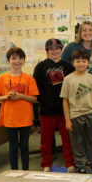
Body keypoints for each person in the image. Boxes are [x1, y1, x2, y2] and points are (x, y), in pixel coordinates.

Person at [0, 47, 39, 170]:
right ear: (9, 60)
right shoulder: (2, 78)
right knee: (13, 147)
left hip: (25, 118)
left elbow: (34, 98)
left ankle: (26, 170)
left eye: (20, 58)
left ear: (24, 60)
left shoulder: (29, 78)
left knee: (24, 146)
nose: (17, 61)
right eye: (14, 58)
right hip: (10, 118)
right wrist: (6, 97)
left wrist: (20, 96)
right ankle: (14, 171)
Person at [33, 38, 75, 173]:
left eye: (57, 48)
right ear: (47, 51)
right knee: (46, 139)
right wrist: (44, 102)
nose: (54, 51)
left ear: (61, 50)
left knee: (67, 138)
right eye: (51, 49)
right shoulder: (40, 67)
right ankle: (46, 163)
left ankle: (69, 162)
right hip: (47, 110)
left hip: (65, 110)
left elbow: (72, 87)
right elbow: (37, 88)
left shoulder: (68, 66)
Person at [60, 49, 92, 174]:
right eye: (77, 61)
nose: (81, 64)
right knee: (77, 142)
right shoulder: (68, 79)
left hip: (91, 114)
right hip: (75, 115)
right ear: (73, 63)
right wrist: (67, 120)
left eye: (84, 61)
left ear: (88, 62)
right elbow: (65, 101)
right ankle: (80, 165)